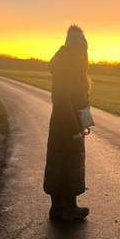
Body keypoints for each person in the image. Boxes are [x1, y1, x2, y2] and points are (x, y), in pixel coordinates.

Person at [44, 25, 91, 221]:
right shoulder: (66, 66)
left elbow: (82, 99)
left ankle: (58, 209)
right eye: (81, 46)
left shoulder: (72, 66)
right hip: (67, 123)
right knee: (68, 163)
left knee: (61, 163)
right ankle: (68, 208)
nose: (83, 51)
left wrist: (86, 123)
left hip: (67, 123)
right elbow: (63, 100)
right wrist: (75, 128)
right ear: (73, 45)